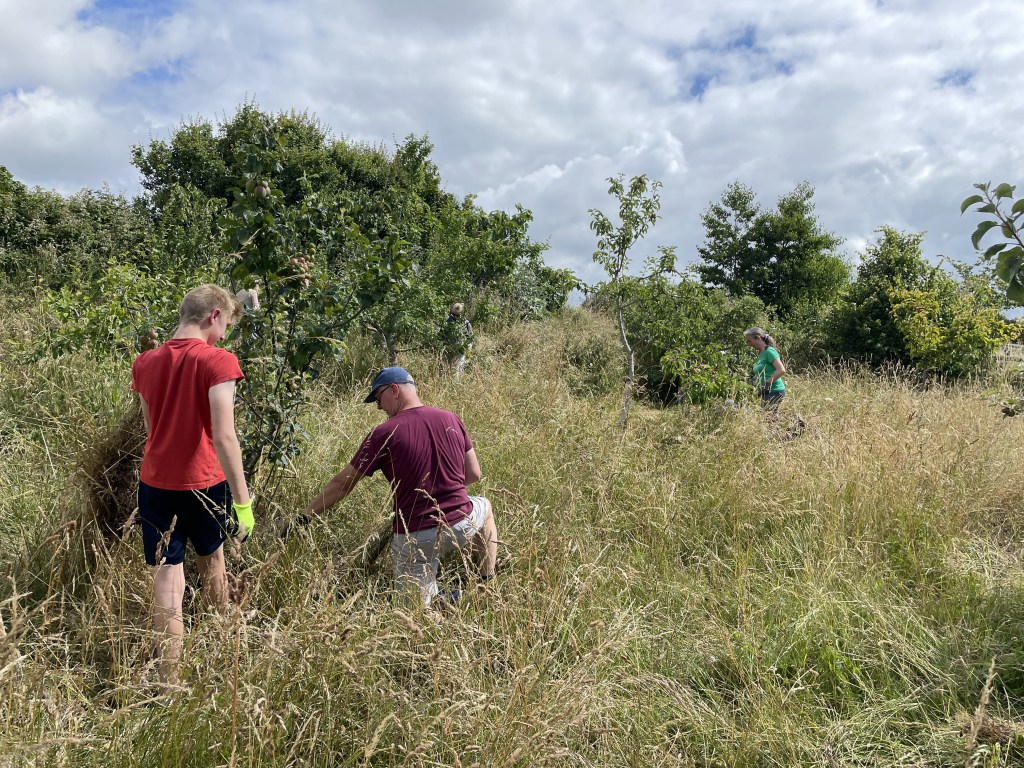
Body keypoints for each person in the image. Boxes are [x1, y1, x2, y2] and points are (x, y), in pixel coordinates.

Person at [131, 284, 254, 687]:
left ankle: (170, 682)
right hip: (204, 480)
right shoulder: (218, 361)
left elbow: (151, 430)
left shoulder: (145, 362)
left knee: (168, 575)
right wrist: (243, 501)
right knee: (213, 564)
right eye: (225, 327)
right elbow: (224, 437)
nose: (223, 337)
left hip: (155, 482)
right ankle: (223, 652)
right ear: (213, 316)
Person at [304, 366, 497, 605]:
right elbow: (474, 474)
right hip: (462, 522)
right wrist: (445, 489)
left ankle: (437, 601)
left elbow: (342, 484)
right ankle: (486, 581)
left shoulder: (384, 432)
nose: (378, 406)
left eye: (378, 397)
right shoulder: (450, 418)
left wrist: (304, 516)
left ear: (394, 390)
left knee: (417, 614)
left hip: (415, 537)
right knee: (485, 507)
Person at [744, 327, 786, 411]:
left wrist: (767, 383)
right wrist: (752, 381)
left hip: (774, 390)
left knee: (770, 418)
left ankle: (797, 423)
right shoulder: (760, 353)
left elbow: (781, 370)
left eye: (749, 341)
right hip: (765, 391)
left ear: (758, 338)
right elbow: (761, 372)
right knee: (766, 417)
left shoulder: (769, 351)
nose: (748, 344)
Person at [441, 302, 473, 379]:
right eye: (453, 314)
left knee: (457, 371)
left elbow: (470, 339)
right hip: (449, 350)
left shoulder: (466, 323)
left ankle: (456, 386)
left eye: (457, 315)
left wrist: (467, 349)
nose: (454, 316)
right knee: (443, 369)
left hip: (461, 351)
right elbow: (441, 336)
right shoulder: (447, 322)